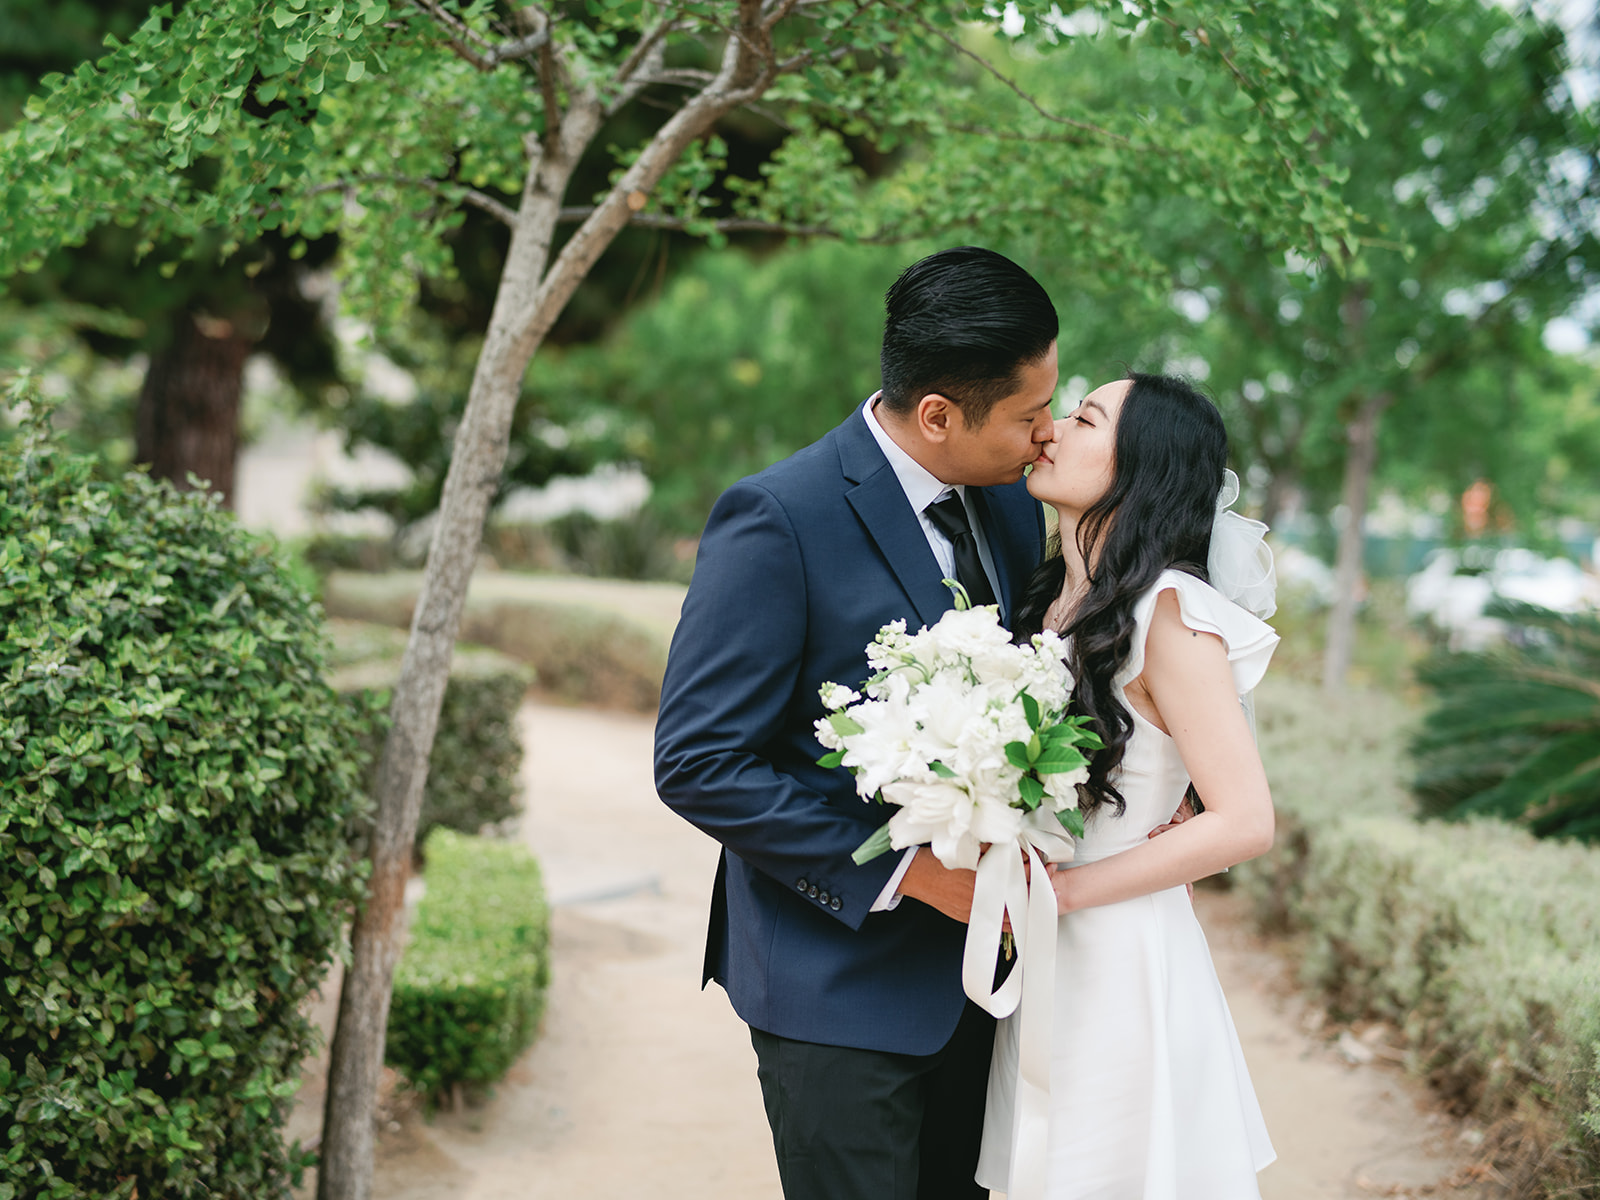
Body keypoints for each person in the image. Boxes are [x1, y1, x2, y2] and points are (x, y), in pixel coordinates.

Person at [654, 246, 1059, 1200]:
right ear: (938, 415)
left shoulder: (1004, 503)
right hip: (831, 988)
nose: (1045, 435)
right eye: (1028, 414)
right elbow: (700, 760)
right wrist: (911, 873)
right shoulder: (777, 517)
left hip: (978, 990)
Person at [976, 371, 1280, 1198]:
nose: (1054, 430)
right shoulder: (1051, 598)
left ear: (1139, 467)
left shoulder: (1171, 611)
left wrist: (1069, 894)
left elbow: (1246, 820)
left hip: (1117, 955)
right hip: (1041, 946)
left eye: (1085, 418)